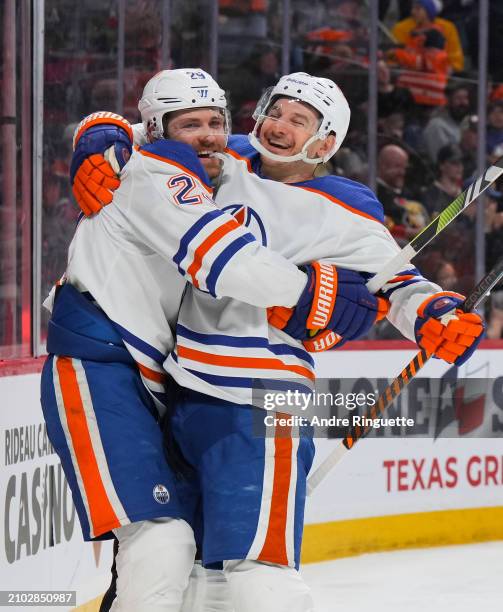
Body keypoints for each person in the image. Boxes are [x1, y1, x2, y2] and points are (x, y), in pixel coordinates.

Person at [75, 70, 485, 611]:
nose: (280, 125)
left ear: (327, 141)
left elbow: (398, 283)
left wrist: (433, 313)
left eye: (299, 120)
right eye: (276, 110)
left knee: (257, 574)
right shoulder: (227, 157)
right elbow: (158, 131)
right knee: (187, 570)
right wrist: (101, 131)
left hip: (269, 399)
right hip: (186, 386)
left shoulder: (351, 210)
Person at [42, 70, 374, 612]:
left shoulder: (217, 163)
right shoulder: (159, 170)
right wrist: (310, 296)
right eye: (190, 124)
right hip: (100, 360)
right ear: (158, 129)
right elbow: (224, 259)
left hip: (165, 376)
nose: (208, 134)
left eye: (216, 122)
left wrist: (101, 125)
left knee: (180, 557)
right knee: (161, 545)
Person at [392, 0, 464, 73]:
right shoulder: (402, 28)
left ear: (428, 12)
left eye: (418, 9)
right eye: (412, 8)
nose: (412, 12)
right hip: (410, 72)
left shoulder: (440, 31)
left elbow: (426, 62)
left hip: (433, 75)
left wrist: (397, 55)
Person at [421, 83, 472, 163]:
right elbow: (441, 161)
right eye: (458, 98)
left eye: (465, 98)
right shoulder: (437, 125)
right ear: (448, 100)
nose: (463, 102)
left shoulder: (466, 123)